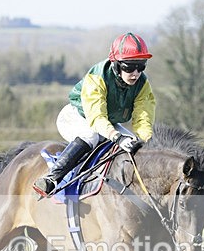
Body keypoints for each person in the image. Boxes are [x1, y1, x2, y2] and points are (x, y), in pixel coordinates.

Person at [33, 32, 156, 197]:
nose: (135, 73)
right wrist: (117, 137)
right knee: (91, 136)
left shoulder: (142, 84)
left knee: (135, 144)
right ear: (116, 64)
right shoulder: (97, 77)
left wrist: (143, 140)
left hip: (108, 122)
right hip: (77, 117)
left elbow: (144, 117)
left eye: (141, 66)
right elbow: (96, 117)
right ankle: (51, 178)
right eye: (129, 67)